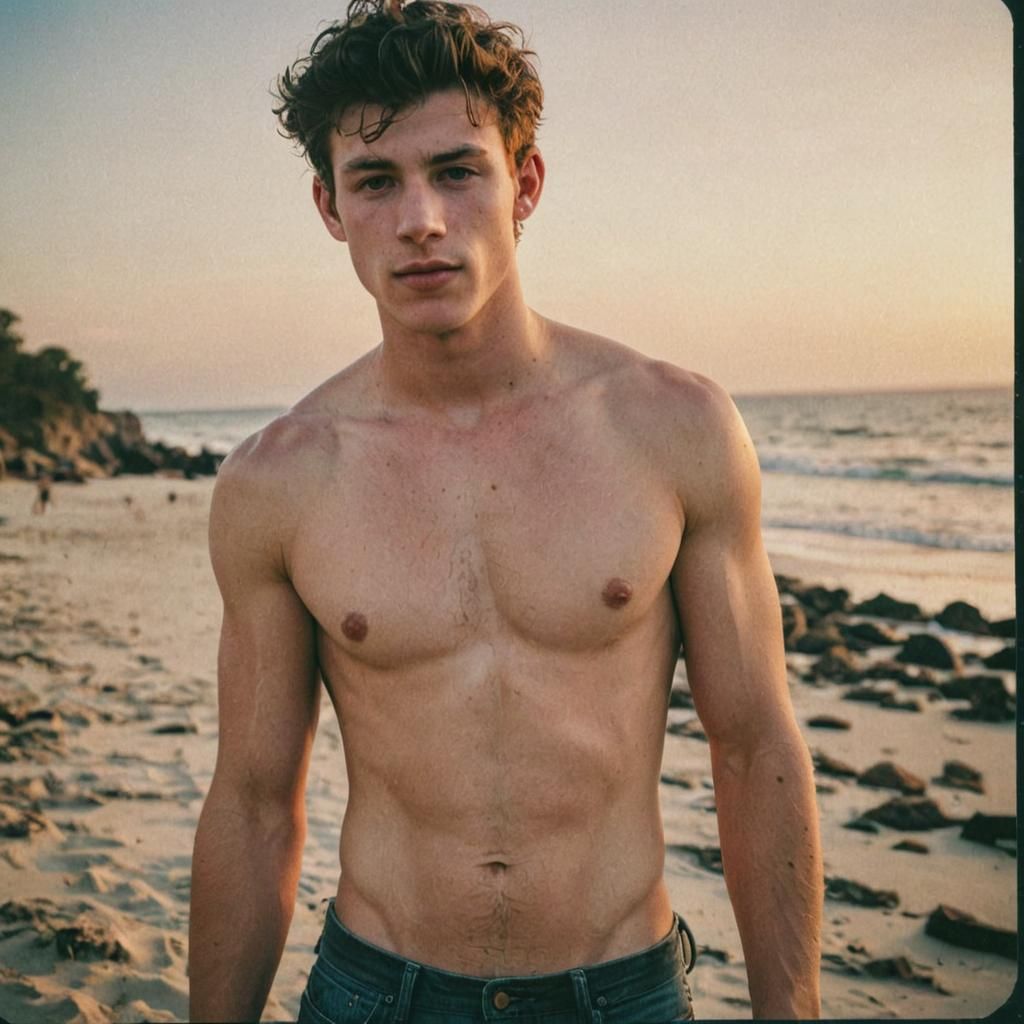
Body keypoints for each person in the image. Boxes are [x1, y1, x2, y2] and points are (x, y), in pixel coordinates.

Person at [188, 2, 822, 1020]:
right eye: (376, 181)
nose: (421, 221)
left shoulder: (673, 427)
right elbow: (254, 803)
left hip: (622, 990)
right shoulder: (281, 479)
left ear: (523, 182)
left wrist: (790, 1009)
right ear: (328, 206)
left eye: (456, 171)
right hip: (373, 989)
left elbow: (753, 745)